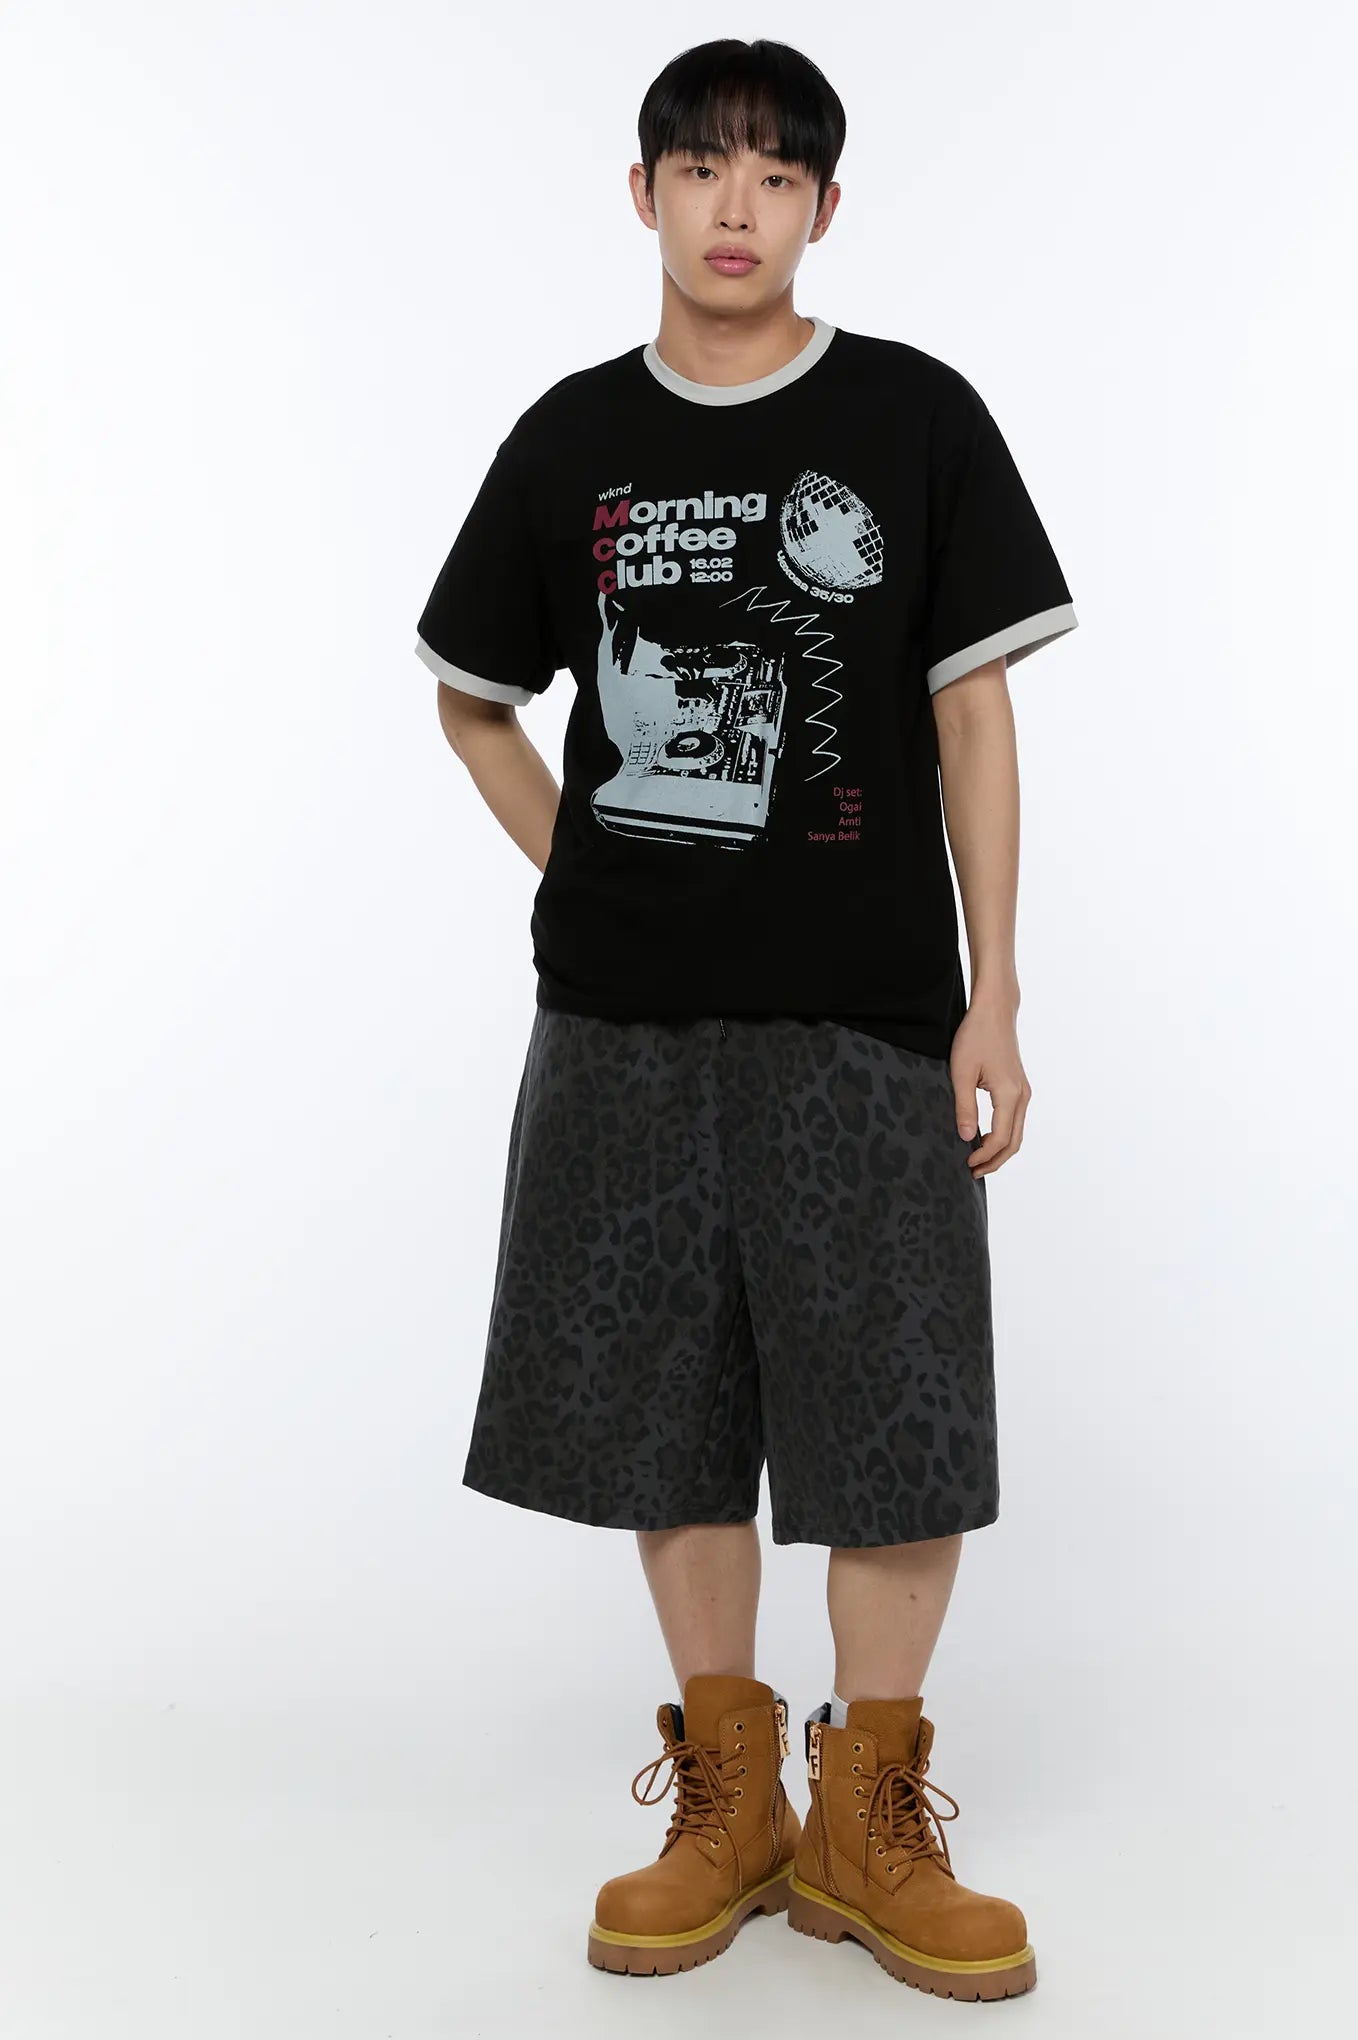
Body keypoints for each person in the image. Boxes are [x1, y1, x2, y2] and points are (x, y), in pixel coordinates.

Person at [413, 36, 1077, 2005]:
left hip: (867, 1014)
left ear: (824, 210)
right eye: (700, 168)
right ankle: (732, 1801)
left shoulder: (913, 418)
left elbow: (973, 711)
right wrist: (585, 864)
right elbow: (471, 697)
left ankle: (872, 1816)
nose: (735, 207)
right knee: (668, 1410)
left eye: (777, 176)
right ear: (643, 194)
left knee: (897, 1413)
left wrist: (996, 990)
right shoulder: (570, 441)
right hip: (624, 1022)